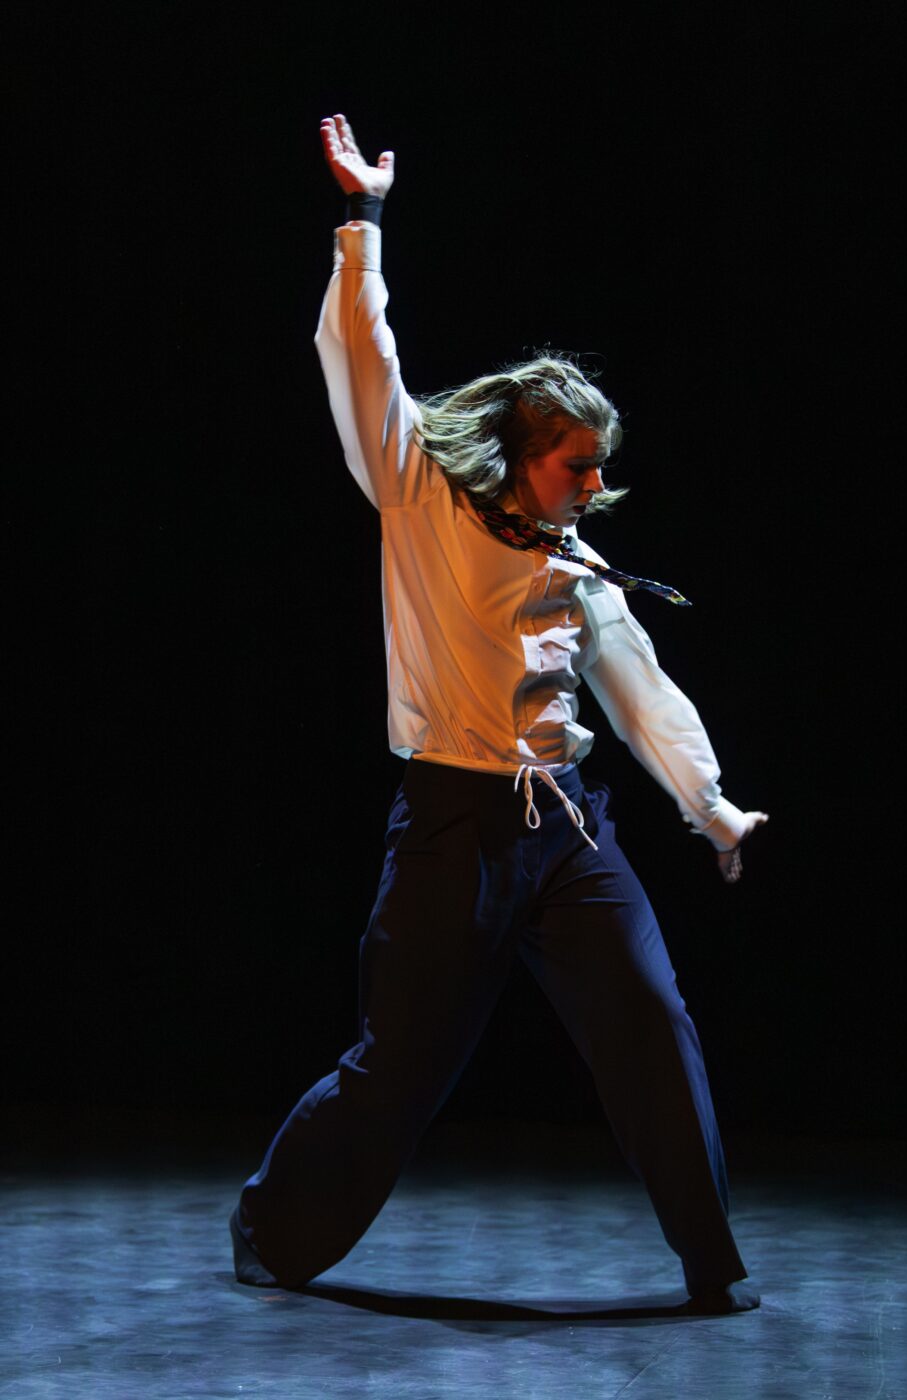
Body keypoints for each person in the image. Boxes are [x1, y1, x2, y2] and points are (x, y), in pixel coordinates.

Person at [230, 114, 768, 1313]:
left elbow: (636, 683)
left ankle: (710, 1261)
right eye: (576, 463)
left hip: (567, 829)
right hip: (453, 826)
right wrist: (363, 220)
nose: (594, 483)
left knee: (653, 1020)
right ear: (522, 452)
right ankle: (272, 1221)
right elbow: (363, 362)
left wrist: (711, 803)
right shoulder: (419, 492)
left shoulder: (575, 557)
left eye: (598, 465)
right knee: (399, 1066)